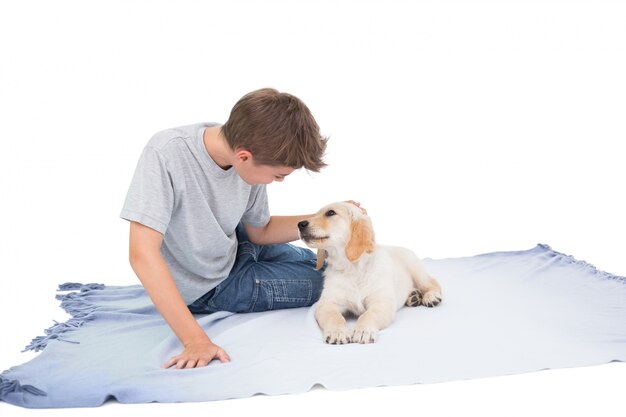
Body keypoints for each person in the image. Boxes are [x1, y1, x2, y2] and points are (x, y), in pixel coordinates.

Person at [121, 88, 361, 369]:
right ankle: (391, 289)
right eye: (278, 175)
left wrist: (323, 218)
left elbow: (261, 232)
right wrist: (195, 340)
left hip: (240, 248)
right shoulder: (166, 153)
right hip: (208, 285)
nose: (279, 181)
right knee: (340, 285)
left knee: (342, 265)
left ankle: (393, 275)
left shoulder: (244, 147)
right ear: (244, 157)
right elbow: (142, 254)